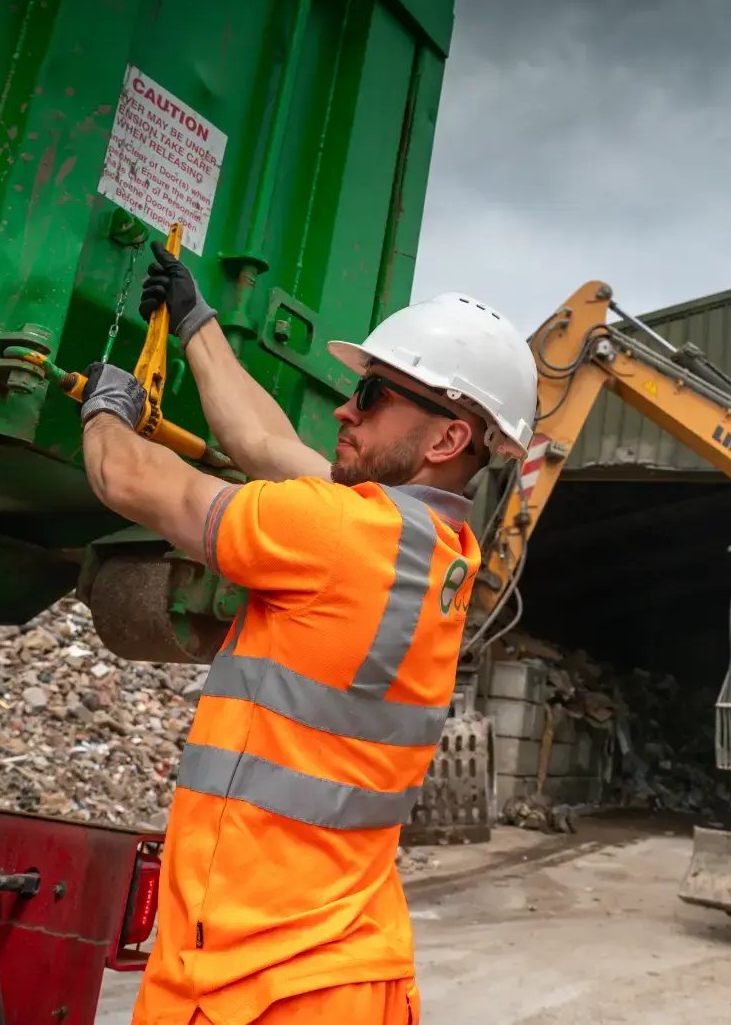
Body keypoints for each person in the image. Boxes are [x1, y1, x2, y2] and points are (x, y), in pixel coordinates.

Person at [77, 241, 539, 1025]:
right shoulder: (438, 552)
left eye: (372, 393)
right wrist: (196, 321)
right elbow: (264, 446)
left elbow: (125, 478)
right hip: (342, 972)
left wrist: (104, 404)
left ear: (446, 439)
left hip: (255, 985)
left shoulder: (340, 536)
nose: (344, 408)